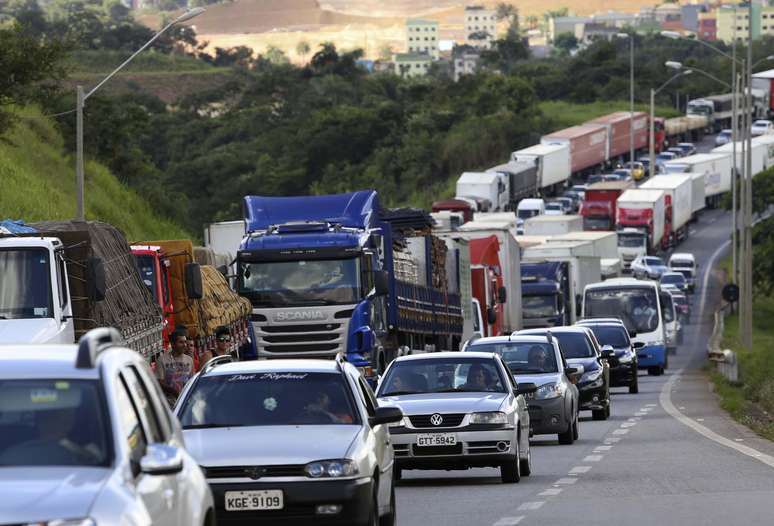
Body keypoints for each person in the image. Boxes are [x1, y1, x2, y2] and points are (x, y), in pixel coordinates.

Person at [156, 330, 194, 405]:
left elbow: (191, 380)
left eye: (185, 342)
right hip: (168, 403)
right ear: (173, 344)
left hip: (185, 403)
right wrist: (173, 391)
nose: (185, 345)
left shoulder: (189, 360)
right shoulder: (162, 360)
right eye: (181, 342)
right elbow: (159, 382)